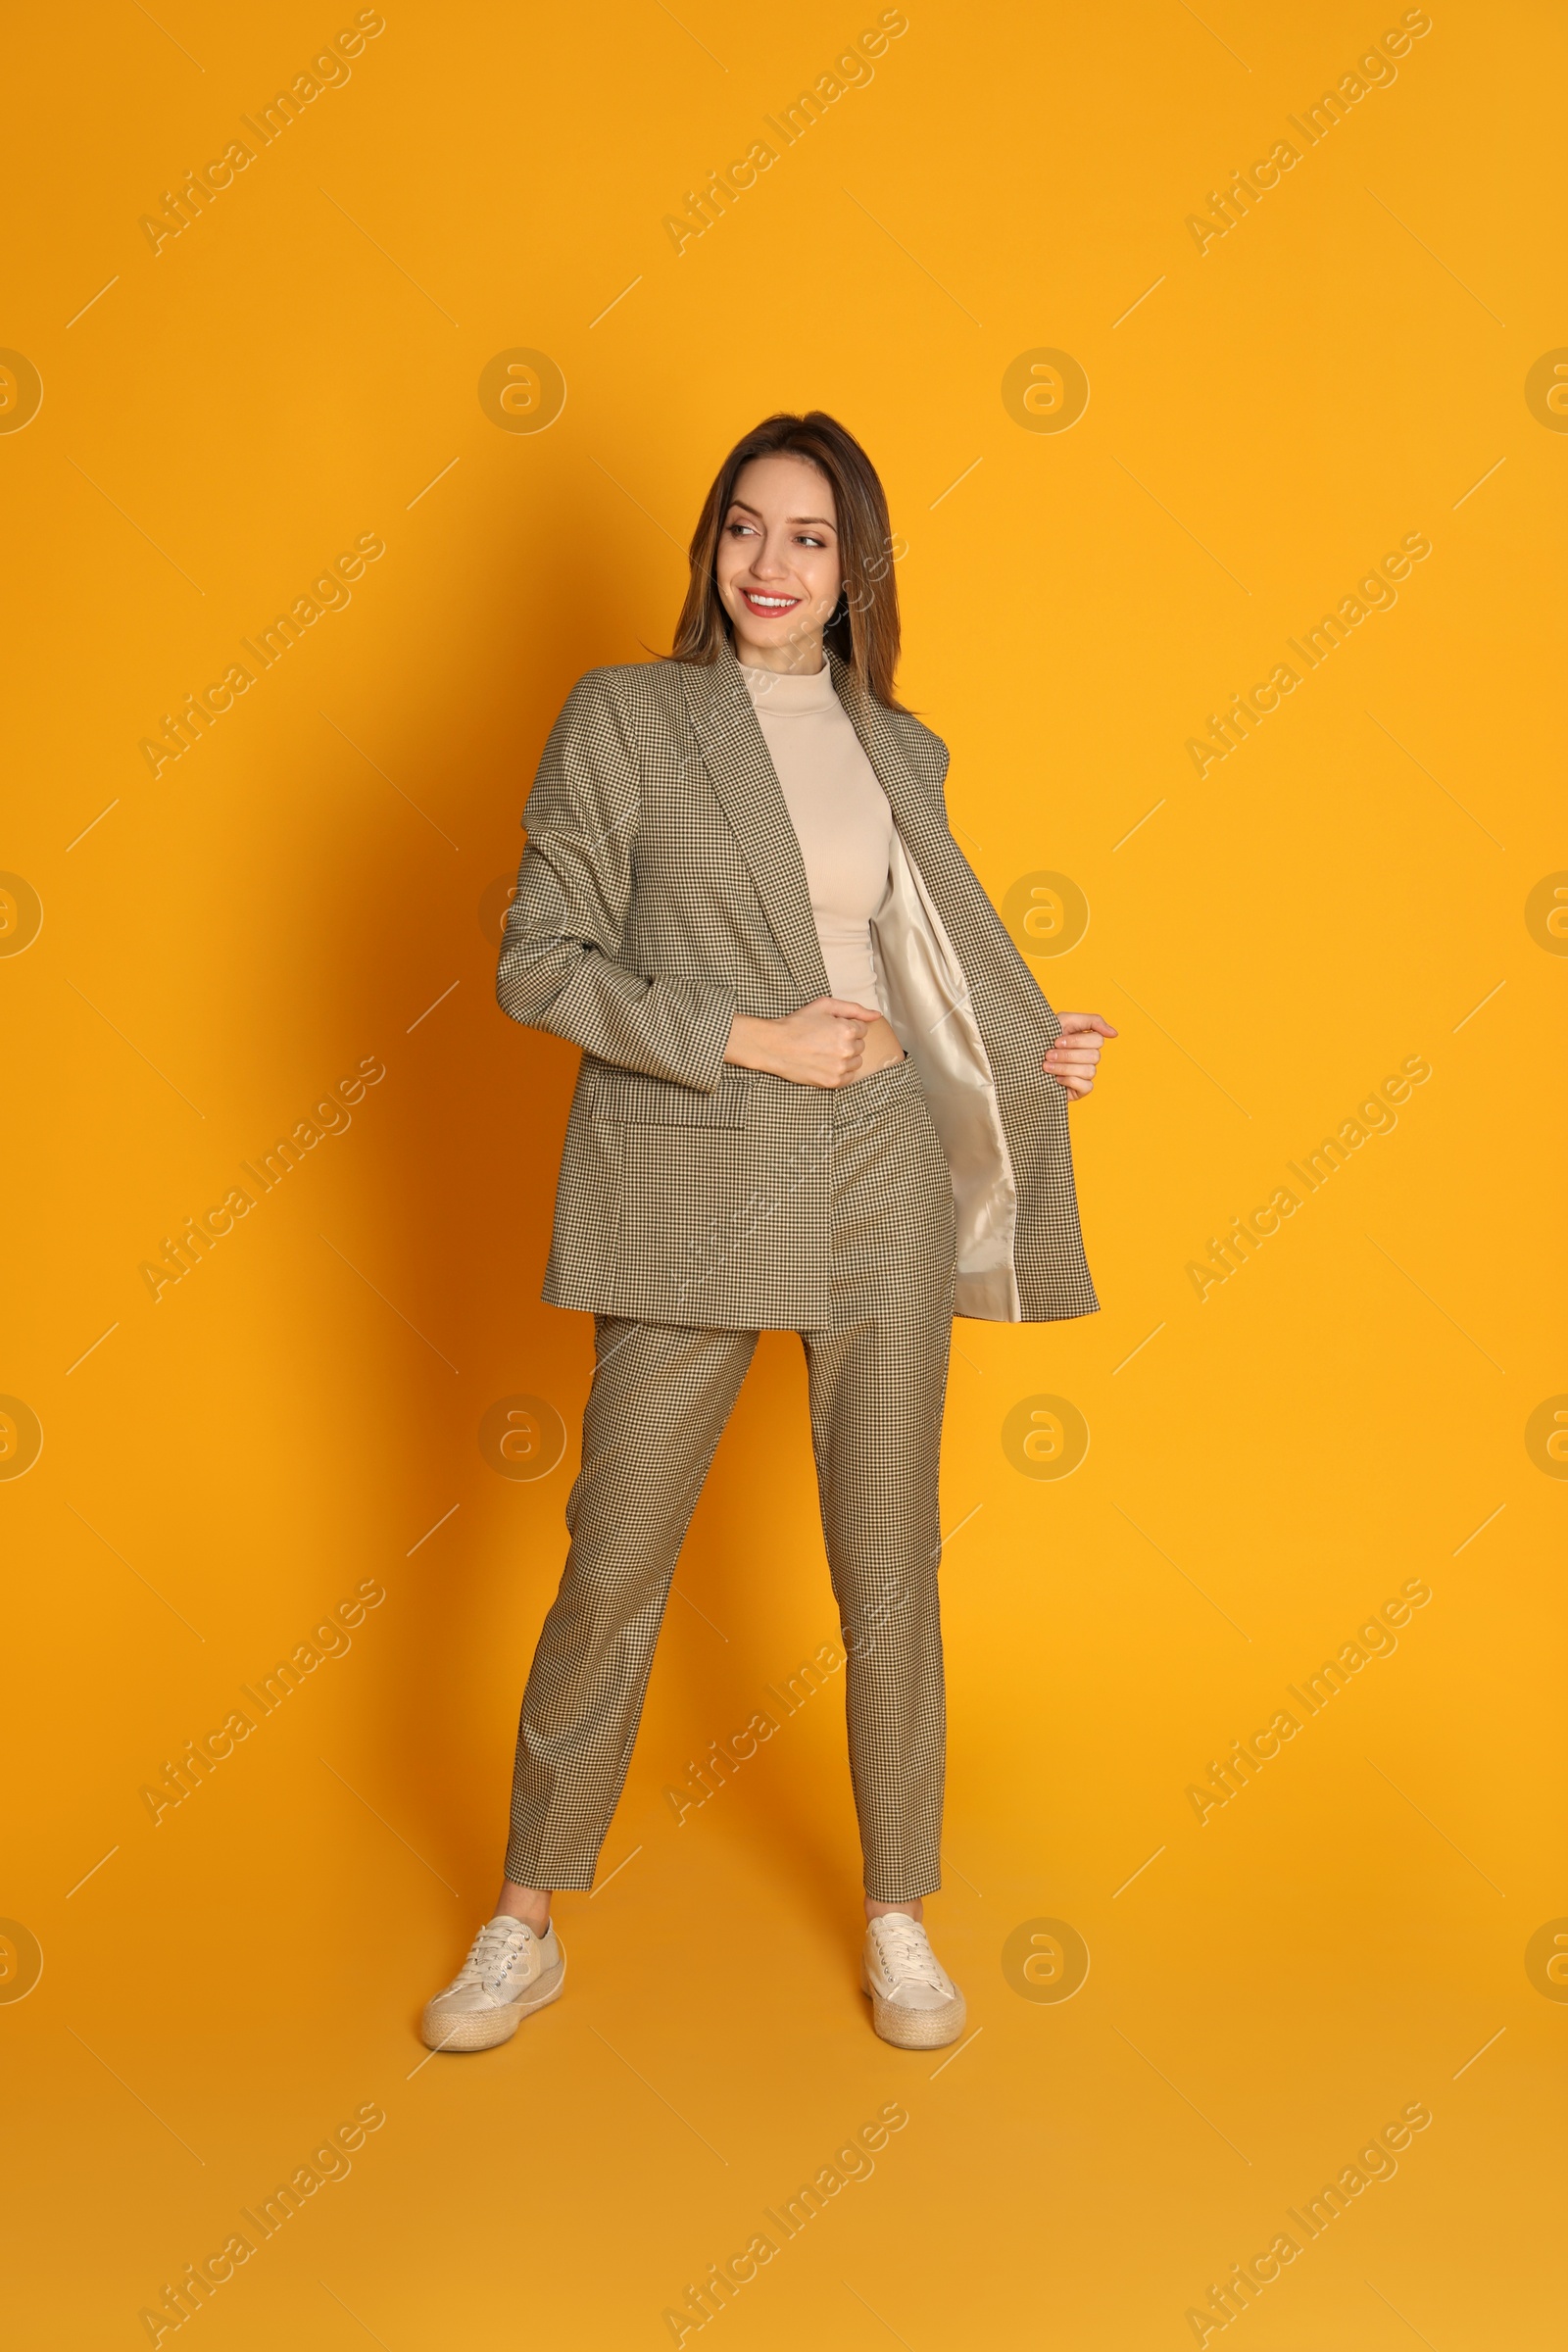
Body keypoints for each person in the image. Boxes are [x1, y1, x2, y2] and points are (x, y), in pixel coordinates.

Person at [421, 410, 1116, 2054]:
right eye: (745, 527)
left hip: (878, 1157)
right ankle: (523, 1916)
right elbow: (540, 960)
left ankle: (898, 1913)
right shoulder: (629, 719)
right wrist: (754, 1034)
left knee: (888, 1552)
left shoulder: (902, 745)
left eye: (809, 537)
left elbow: (924, 958)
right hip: (693, 1162)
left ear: (856, 567)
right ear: (709, 546)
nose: (771, 566)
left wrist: (1038, 1051)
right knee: (619, 1548)